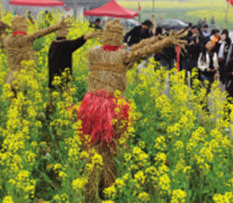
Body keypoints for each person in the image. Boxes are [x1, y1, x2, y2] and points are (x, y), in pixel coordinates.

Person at [78, 20, 186, 201]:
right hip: (111, 108)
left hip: (92, 106)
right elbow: (140, 52)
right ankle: (107, 188)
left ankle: (89, 191)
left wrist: (154, 40)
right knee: (110, 150)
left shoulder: (93, 53)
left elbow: (137, 48)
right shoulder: (122, 57)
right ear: (119, 37)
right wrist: (165, 42)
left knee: (91, 148)